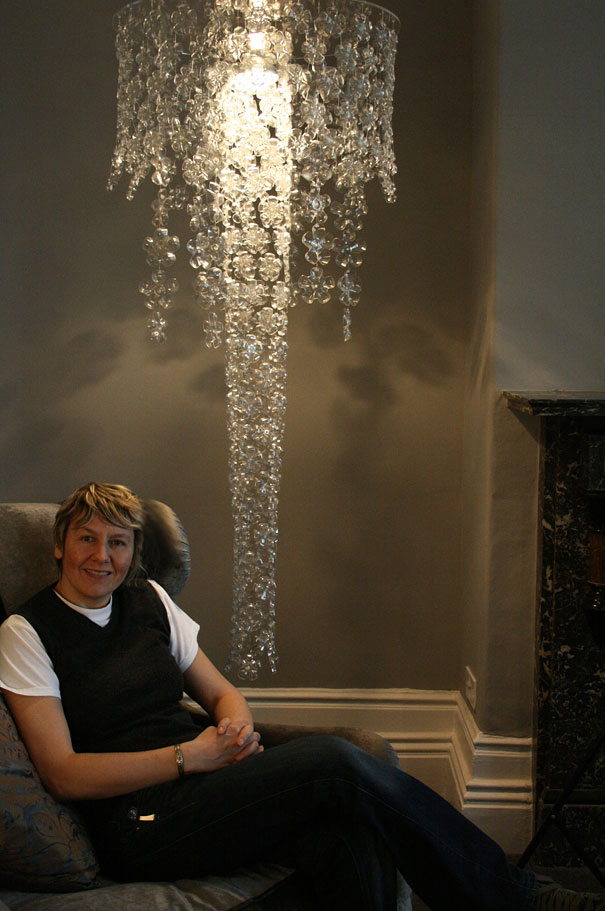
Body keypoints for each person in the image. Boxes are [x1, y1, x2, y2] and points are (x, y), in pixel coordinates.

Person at [0, 482, 602, 911]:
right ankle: (514, 896)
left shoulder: (150, 600)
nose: (101, 557)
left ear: (133, 552)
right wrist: (192, 757)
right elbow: (63, 774)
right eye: (86, 538)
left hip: (208, 786)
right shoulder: (27, 631)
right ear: (59, 544)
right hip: (138, 821)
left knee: (347, 835)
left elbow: (219, 692)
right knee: (336, 761)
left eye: (119, 542)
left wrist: (234, 730)